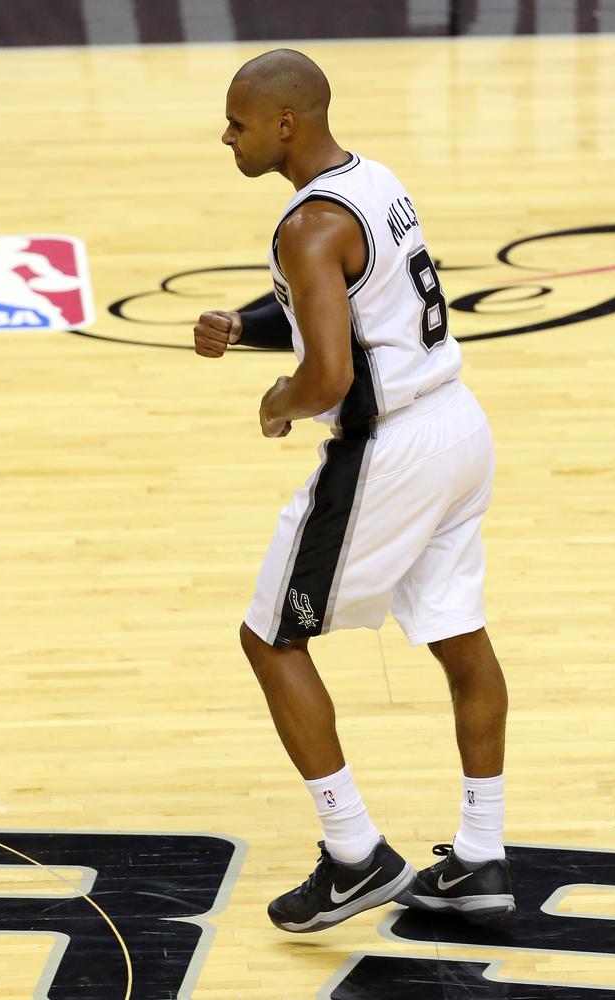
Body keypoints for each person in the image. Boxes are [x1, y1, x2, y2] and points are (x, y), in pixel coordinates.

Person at [194, 48, 514, 933]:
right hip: (458, 425)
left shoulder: (305, 226)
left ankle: (353, 854)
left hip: (392, 450)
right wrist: (248, 325)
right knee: (459, 635)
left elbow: (330, 375)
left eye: (238, 121)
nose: (227, 136)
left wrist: (278, 403)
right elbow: (354, 305)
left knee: (270, 637)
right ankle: (481, 858)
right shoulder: (373, 181)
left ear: (285, 124)